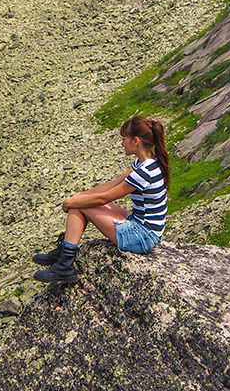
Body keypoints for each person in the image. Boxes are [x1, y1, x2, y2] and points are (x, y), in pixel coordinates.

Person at [33, 115, 169, 282]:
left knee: (80, 206)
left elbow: (103, 199)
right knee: (81, 202)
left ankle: (64, 264)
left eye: (123, 139)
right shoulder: (145, 162)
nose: (121, 143)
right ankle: (64, 254)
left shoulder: (144, 173)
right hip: (143, 226)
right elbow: (112, 184)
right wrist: (81, 195)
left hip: (143, 237)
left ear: (135, 141)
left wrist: (72, 202)